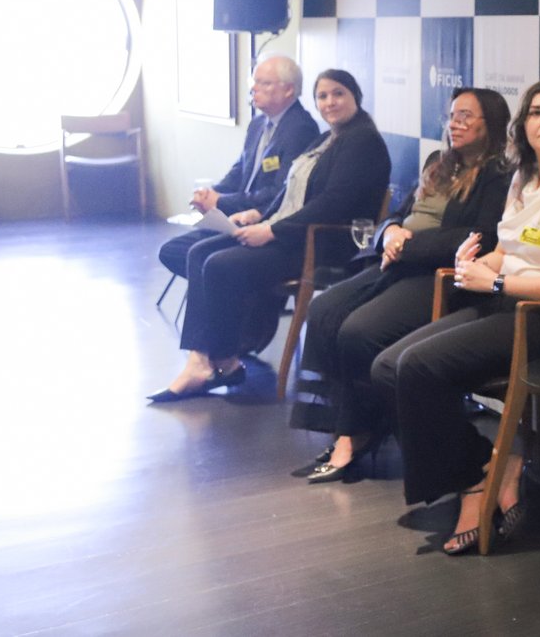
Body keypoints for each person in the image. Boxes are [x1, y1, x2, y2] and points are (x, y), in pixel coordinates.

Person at [371, 79, 540, 554]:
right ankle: (488, 465)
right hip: (507, 304)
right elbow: (507, 250)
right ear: (522, 126)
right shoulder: (524, 178)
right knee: (387, 367)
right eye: (536, 112)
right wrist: (479, 264)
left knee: (420, 367)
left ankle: (476, 483)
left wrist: (499, 282)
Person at [290, 87, 513, 483]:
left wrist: (408, 246)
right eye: (452, 116)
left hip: (439, 275)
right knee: (324, 309)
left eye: (466, 116)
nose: (455, 124)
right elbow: (398, 214)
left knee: (359, 331)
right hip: (397, 262)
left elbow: (481, 236)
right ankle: (344, 428)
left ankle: (359, 432)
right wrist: (390, 232)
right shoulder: (438, 163)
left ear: (490, 124)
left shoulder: (499, 174)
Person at [148, 69, 390, 403]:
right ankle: (212, 361)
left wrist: (271, 229)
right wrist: (259, 215)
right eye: (322, 96)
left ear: (355, 97)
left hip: (321, 244)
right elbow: (293, 188)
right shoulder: (328, 137)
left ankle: (213, 362)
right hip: (291, 232)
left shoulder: (362, 141)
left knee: (220, 264)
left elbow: (333, 204)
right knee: (197, 253)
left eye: (338, 94)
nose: (329, 102)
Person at [157, 55, 319, 278]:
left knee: (202, 258)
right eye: (254, 82)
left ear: (289, 90)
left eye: (264, 83)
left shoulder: (300, 128)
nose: (254, 89)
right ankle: (233, 302)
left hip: (263, 222)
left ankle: (237, 302)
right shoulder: (258, 123)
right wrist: (212, 194)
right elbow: (239, 172)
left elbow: (280, 193)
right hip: (236, 218)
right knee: (172, 251)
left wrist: (222, 202)